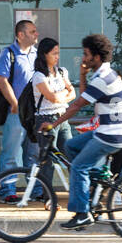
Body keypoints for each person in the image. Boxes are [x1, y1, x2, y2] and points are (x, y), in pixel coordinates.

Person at [40, 33, 122, 231]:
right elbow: (85, 96)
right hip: (111, 131)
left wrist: (52, 125)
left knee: (79, 167)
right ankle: (99, 180)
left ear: (96, 57)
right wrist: (81, 75)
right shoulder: (106, 74)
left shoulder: (103, 79)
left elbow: (76, 106)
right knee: (71, 146)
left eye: (86, 54)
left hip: (110, 135)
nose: (83, 58)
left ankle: (82, 213)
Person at [0, 19, 39, 201]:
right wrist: (14, 103)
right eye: (32, 31)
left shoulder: (36, 54)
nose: (36, 34)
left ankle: (35, 191)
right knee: (11, 152)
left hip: (35, 111)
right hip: (17, 111)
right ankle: (8, 190)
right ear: (21, 35)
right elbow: (2, 80)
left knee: (34, 153)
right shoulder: (8, 54)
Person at [30, 37, 75, 195]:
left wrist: (60, 95)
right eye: (54, 53)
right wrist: (64, 94)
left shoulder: (62, 71)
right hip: (46, 120)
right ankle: (48, 197)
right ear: (44, 55)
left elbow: (73, 93)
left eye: (58, 53)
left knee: (71, 156)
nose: (57, 56)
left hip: (63, 119)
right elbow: (52, 97)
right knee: (47, 161)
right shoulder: (38, 76)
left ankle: (77, 193)